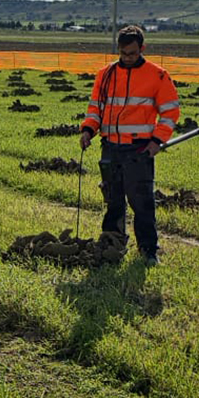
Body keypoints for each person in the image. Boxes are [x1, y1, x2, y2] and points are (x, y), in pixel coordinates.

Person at [79, 25, 180, 266]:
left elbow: (170, 112)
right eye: (123, 53)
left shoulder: (158, 75)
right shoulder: (105, 74)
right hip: (110, 147)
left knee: (142, 203)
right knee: (113, 201)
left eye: (132, 54)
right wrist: (88, 130)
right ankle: (111, 245)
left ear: (142, 49)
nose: (127, 58)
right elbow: (96, 108)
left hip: (139, 150)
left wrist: (157, 141)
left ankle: (148, 251)